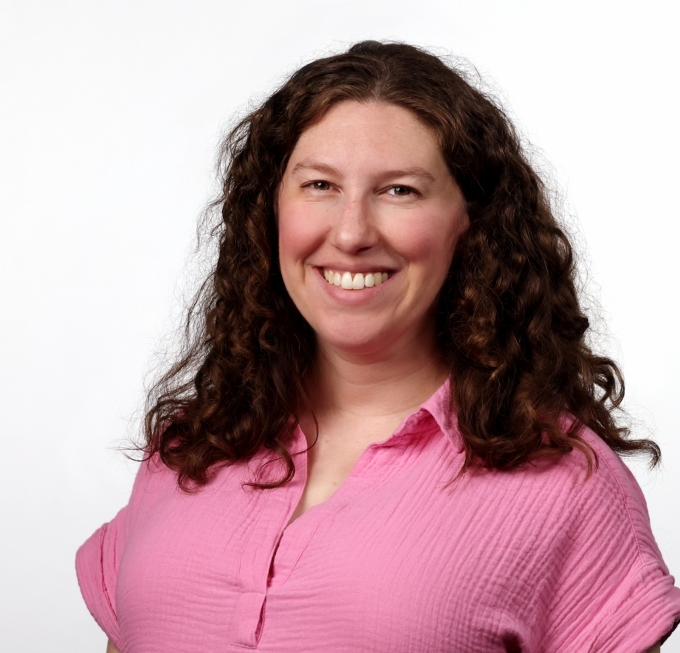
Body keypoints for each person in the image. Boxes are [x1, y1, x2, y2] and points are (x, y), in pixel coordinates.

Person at [76, 41, 680, 653]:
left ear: (470, 221)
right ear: (271, 210)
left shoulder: (567, 483)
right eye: (319, 185)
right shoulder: (187, 448)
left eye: (400, 191)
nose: (351, 233)